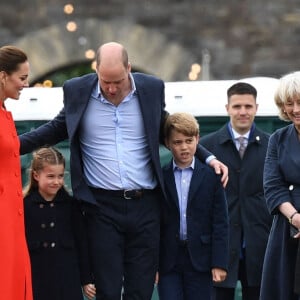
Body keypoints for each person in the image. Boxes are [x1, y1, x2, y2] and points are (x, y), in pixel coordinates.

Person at [19, 41, 228, 300]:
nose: (111, 88)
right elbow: (53, 129)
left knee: (140, 290)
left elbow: (172, 129)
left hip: (145, 205)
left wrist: (207, 158)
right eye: (105, 81)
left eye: (117, 80)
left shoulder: (151, 88)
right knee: (107, 289)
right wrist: (11, 144)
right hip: (101, 207)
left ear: (129, 68)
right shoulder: (78, 90)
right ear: (96, 71)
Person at [200, 82, 272, 300]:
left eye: (248, 106)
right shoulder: (207, 147)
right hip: (219, 246)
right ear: (227, 108)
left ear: (256, 108)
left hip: (260, 245)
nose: (243, 112)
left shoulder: (272, 145)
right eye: (237, 106)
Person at [158, 112, 229, 300]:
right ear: (167, 143)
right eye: (177, 142)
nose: (184, 147)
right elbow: (155, 223)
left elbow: (221, 222)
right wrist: (153, 264)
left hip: (201, 260)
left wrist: (219, 262)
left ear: (197, 140)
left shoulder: (212, 176)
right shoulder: (161, 177)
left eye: (189, 141)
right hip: (168, 261)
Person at [23, 147, 96, 300]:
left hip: (67, 277)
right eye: (50, 176)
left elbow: (81, 242)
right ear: (36, 175)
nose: (56, 181)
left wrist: (86, 279)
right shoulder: (24, 206)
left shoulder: (71, 205)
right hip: (36, 277)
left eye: (60, 176)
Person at [260, 71, 300, 300]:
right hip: (288, 228)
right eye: (289, 103)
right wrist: (295, 217)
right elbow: (273, 186)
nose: (295, 109)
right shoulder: (277, 138)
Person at [0, 45, 33, 300]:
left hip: (12, 215)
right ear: (3, 76)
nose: (26, 84)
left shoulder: (4, 112)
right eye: (21, 78)